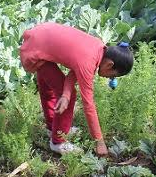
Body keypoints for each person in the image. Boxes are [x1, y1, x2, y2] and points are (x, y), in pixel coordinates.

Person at [19, 22, 134, 155]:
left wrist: (65, 95)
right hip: (34, 50)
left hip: (39, 37)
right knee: (68, 96)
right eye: (113, 76)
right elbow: (88, 105)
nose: (110, 79)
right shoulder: (88, 64)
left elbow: (75, 70)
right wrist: (99, 142)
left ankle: (53, 127)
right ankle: (58, 142)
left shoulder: (99, 47)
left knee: (55, 91)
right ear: (109, 64)